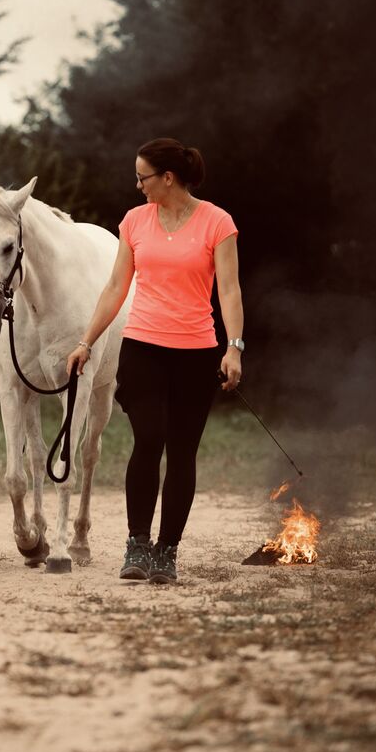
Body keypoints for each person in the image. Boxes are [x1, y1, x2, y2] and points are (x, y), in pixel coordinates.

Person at [66, 138, 243, 585]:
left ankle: (167, 551)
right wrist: (86, 342)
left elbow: (229, 290)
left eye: (142, 176)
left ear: (168, 177)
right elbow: (115, 287)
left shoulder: (217, 222)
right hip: (143, 347)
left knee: (182, 451)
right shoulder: (134, 221)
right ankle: (137, 543)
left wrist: (234, 347)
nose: (137, 184)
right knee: (148, 439)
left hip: (196, 352)